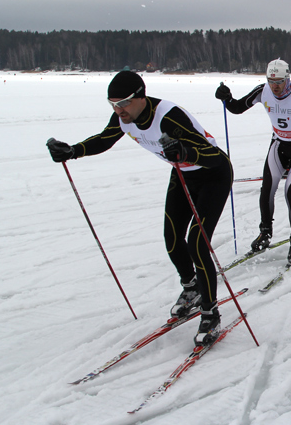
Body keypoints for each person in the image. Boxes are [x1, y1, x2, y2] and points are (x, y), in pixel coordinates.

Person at [46, 71, 233, 346]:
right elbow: (104, 139)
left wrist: (184, 152)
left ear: (140, 97)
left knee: (197, 243)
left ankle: (210, 313)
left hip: (212, 175)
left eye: (123, 103)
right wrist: (72, 151)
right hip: (182, 174)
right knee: (171, 238)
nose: (118, 110)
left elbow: (215, 157)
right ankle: (191, 289)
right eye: (113, 104)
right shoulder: (125, 117)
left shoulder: (169, 117)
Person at [215, 58, 291, 264]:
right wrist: (227, 98)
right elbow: (237, 107)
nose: (275, 87)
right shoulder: (262, 91)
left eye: (279, 82)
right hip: (279, 144)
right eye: (271, 81)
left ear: (287, 79)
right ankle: (265, 232)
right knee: (267, 189)